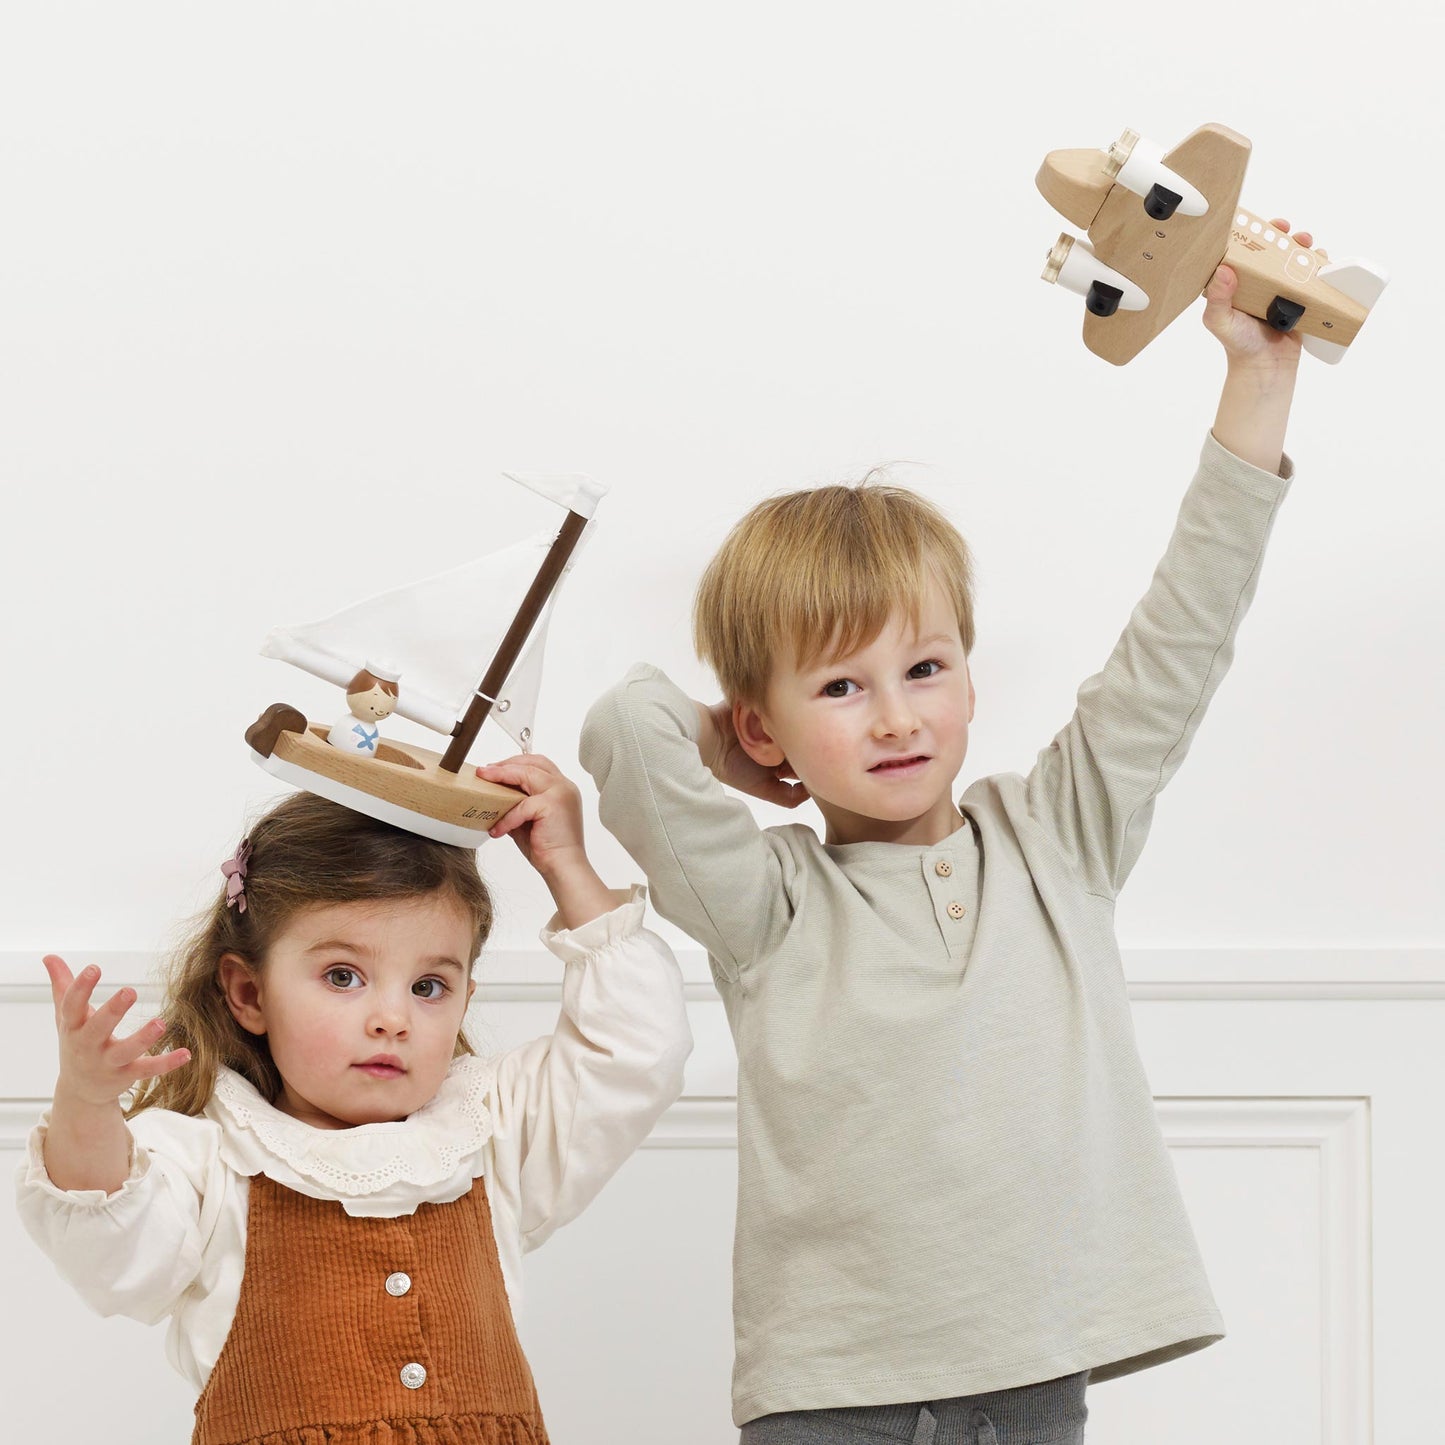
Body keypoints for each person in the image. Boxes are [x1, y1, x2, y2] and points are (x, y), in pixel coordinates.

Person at [577, 244, 1318, 1444]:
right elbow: (622, 725)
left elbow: (1184, 628)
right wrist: (727, 750)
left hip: (1028, 1383)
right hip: (825, 1398)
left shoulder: (1057, 833)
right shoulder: (765, 905)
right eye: (839, 687)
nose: (894, 714)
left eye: (925, 667)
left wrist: (1257, 374)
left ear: (969, 674)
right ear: (770, 721)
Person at [17, 753, 691, 1445]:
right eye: (344, 975)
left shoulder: (494, 1130)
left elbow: (639, 1046)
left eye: (428, 986)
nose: (392, 1017)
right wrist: (88, 1100)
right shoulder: (209, 1156)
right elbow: (108, 1251)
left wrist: (567, 866)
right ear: (249, 992)